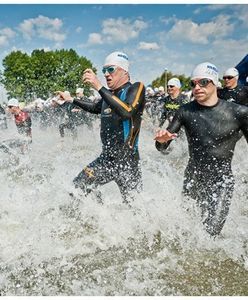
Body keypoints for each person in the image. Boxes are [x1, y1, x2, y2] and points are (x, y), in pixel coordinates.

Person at [154, 62, 248, 237]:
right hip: (193, 179)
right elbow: (162, 147)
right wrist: (161, 141)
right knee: (187, 234)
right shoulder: (185, 111)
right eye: (193, 83)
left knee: (209, 235)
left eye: (203, 82)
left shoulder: (239, 113)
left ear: (214, 83)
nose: (197, 87)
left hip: (221, 182)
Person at [59, 51, 146, 203]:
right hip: (106, 160)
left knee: (135, 209)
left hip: (127, 161)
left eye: (111, 69)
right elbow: (94, 107)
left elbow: (127, 111)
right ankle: (99, 218)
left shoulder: (136, 88)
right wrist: (71, 99)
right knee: (77, 187)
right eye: (104, 70)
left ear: (124, 71)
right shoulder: (108, 95)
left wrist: (98, 86)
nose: (106, 74)